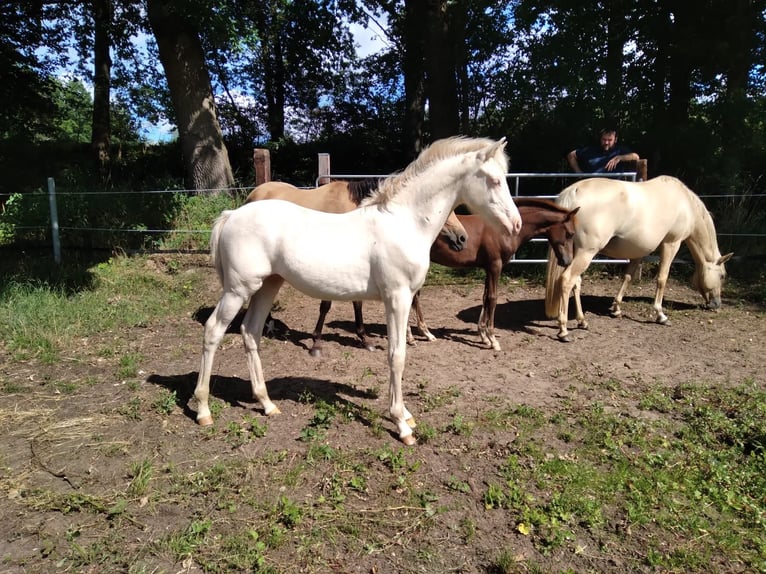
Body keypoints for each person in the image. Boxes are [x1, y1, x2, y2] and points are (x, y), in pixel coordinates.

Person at [566, 128, 639, 173]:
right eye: (604, 139)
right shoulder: (590, 150)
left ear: (615, 140)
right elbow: (571, 155)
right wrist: (578, 171)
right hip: (592, 188)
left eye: (610, 140)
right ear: (600, 139)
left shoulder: (620, 150)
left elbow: (635, 156)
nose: (606, 142)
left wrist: (620, 158)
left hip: (614, 189)